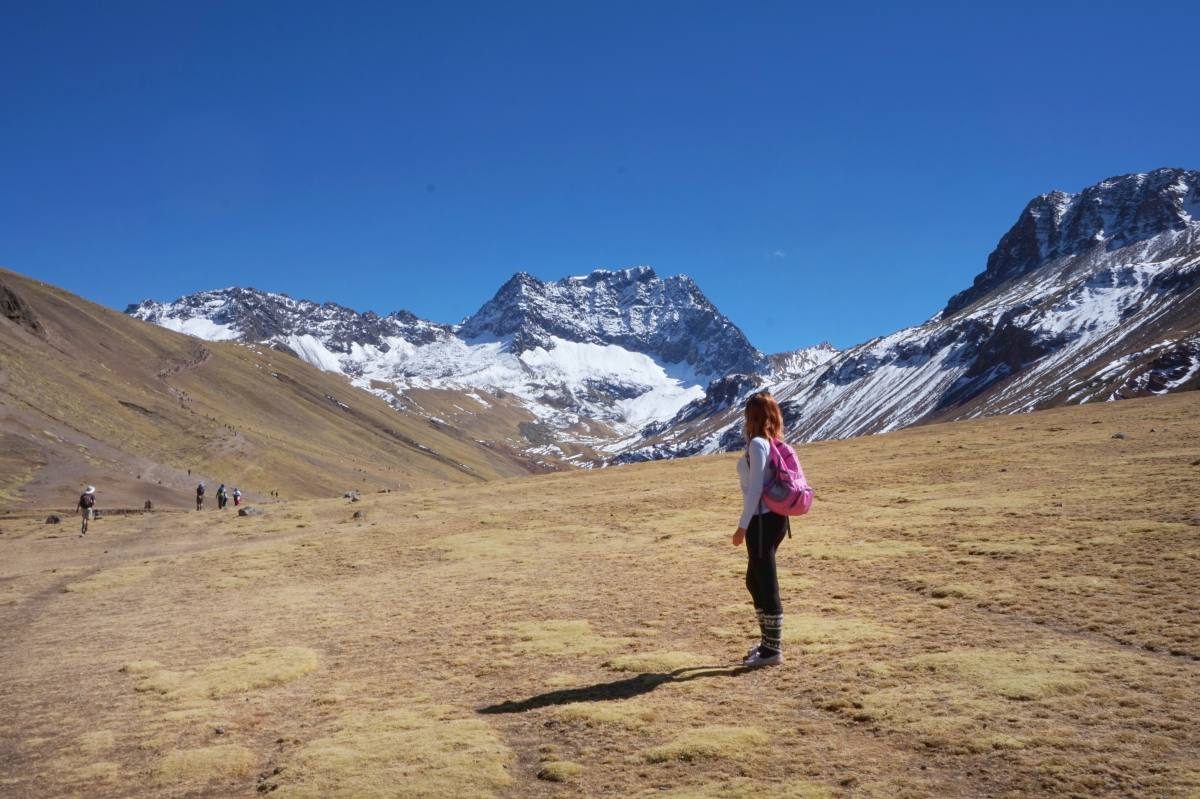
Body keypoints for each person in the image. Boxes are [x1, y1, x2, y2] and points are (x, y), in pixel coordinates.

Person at [731, 392, 789, 667]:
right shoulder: (768, 443)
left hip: (762, 521)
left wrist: (742, 527)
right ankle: (768, 643)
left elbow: (755, 489)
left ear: (752, 416)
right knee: (754, 581)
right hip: (771, 519)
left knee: (765, 581)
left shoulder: (757, 444)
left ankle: (772, 651)